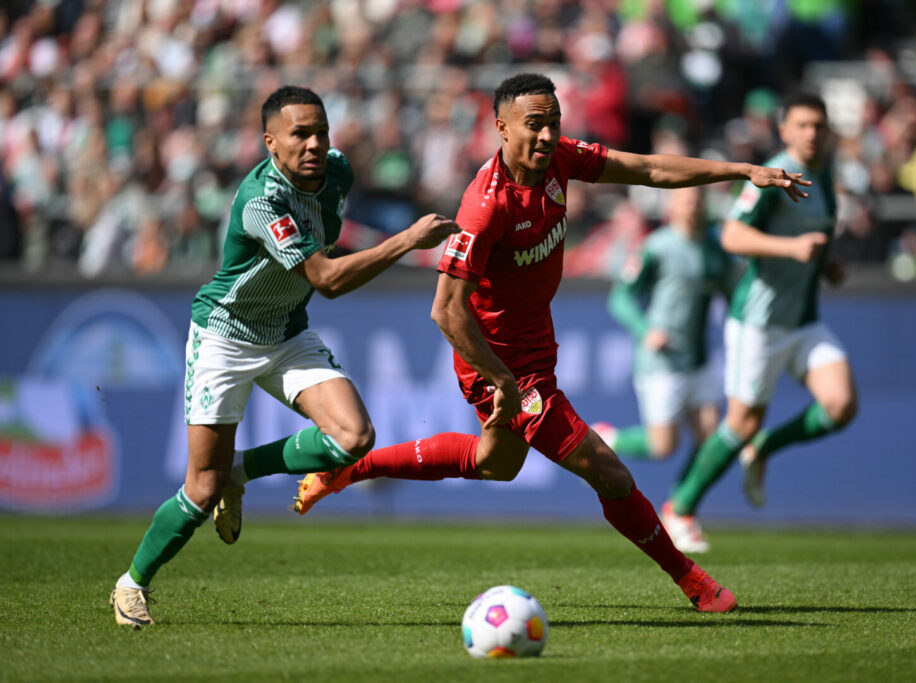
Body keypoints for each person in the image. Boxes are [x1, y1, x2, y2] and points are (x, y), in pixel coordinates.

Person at [291, 73, 811, 613]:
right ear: (501, 128)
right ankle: (695, 582)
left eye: (553, 123)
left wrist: (742, 170)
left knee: (496, 463)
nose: (546, 136)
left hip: (536, 347)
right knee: (608, 470)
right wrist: (502, 381)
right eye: (533, 125)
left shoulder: (561, 159)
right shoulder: (485, 206)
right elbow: (445, 310)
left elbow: (650, 169)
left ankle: (350, 469)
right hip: (500, 363)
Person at [109, 86, 459, 628]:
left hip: (286, 331)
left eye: (321, 131)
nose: (315, 143)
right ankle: (133, 584)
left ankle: (241, 473)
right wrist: (408, 240)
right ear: (270, 142)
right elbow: (328, 279)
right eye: (300, 134)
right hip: (224, 337)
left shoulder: (336, 172)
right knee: (200, 487)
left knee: (353, 439)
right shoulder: (261, 201)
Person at [664, 92, 858, 552]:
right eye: (803, 125)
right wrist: (791, 250)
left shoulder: (825, 175)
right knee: (740, 422)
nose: (812, 134)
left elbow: (814, 239)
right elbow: (731, 235)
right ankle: (679, 508)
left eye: (819, 126)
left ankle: (764, 448)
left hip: (803, 319)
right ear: (785, 130)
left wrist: (825, 264)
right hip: (759, 321)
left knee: (841, 405)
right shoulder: (771, 176)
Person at [593, 186, 734, 553]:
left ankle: (680, 513)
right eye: (685, 200)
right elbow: (620, 296)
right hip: (662, 362)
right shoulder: (657, 246)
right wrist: (645, 331)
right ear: (672, 206)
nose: (692, 207)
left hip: (699, 359)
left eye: (697, 201)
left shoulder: (715, 247)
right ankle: (610, 441)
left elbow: (733, 292)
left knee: (709, 437)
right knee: (663, 446)